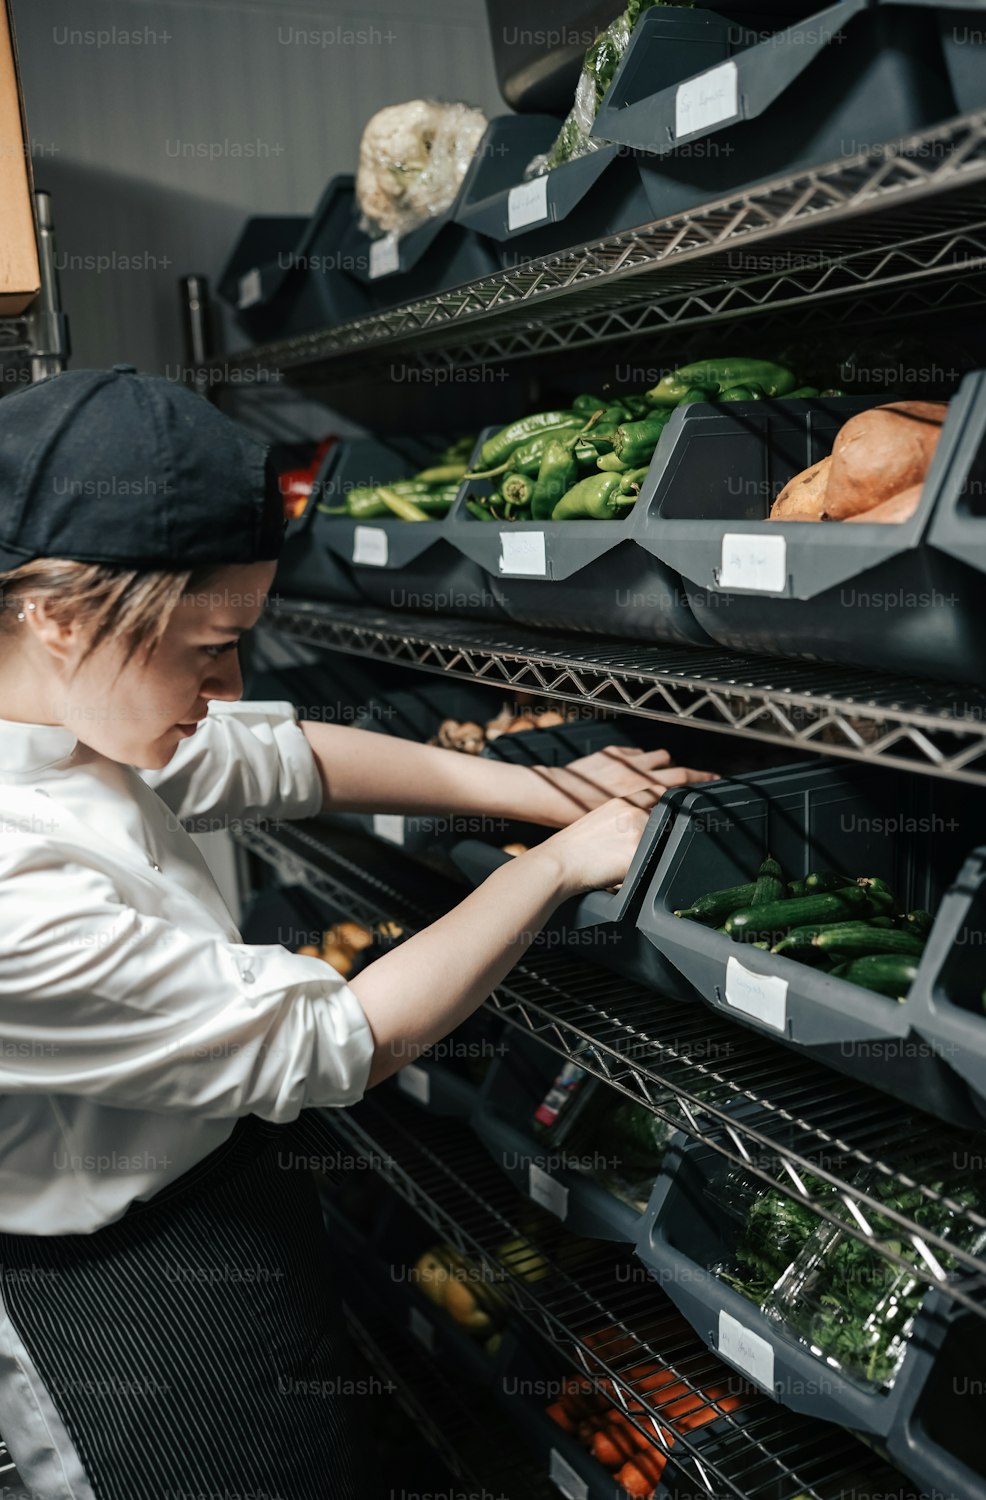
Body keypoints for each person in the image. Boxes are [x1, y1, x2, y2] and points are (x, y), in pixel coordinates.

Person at [0, 366, 716, 1500]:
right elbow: (342, 1039)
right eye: (206, 651)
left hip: (225, 1195)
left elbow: (280, 757)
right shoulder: (10, 889)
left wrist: (538, 789)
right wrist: (562, 869)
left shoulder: (59, 705)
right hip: (112, 1300)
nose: (231, 684)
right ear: (59, 616)